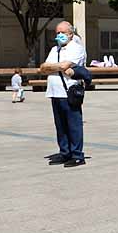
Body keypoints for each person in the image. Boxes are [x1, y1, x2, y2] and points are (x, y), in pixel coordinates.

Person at [39, 21, 87, 168]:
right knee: (60, 125)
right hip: (54, 92)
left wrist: (54, 67)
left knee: (73, 125)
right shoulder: (54, 49)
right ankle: (65, 152)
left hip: (70, 92)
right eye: (57, 33)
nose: (60, 35)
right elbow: (43, 68)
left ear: (70, 34)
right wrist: (56, 67)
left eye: (63, 33)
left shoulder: (76, 48)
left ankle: (77, 155)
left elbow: (65, 66)